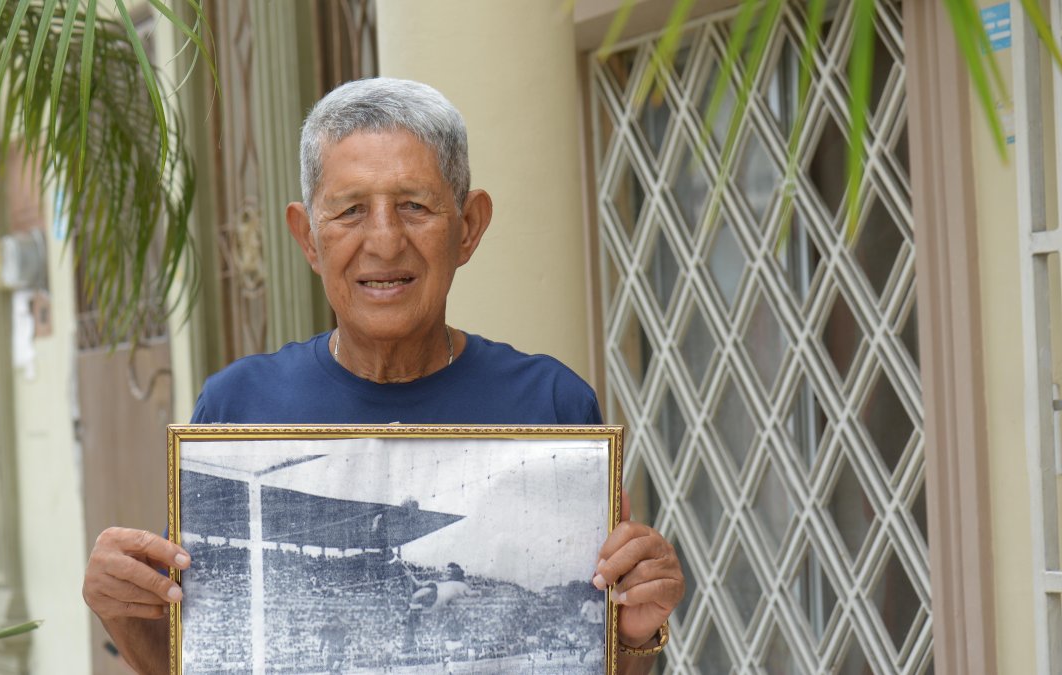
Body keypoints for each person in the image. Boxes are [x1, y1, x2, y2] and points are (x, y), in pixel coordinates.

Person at [82, 77, 685, 674]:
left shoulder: (551, 404)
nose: (384, 240)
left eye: (414, 207)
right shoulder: (238, 404)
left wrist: (634, 630)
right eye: (349, 211)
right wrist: (123, 609)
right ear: (308, 237)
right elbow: (192, 660)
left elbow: (596, 661)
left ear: (469, 227)